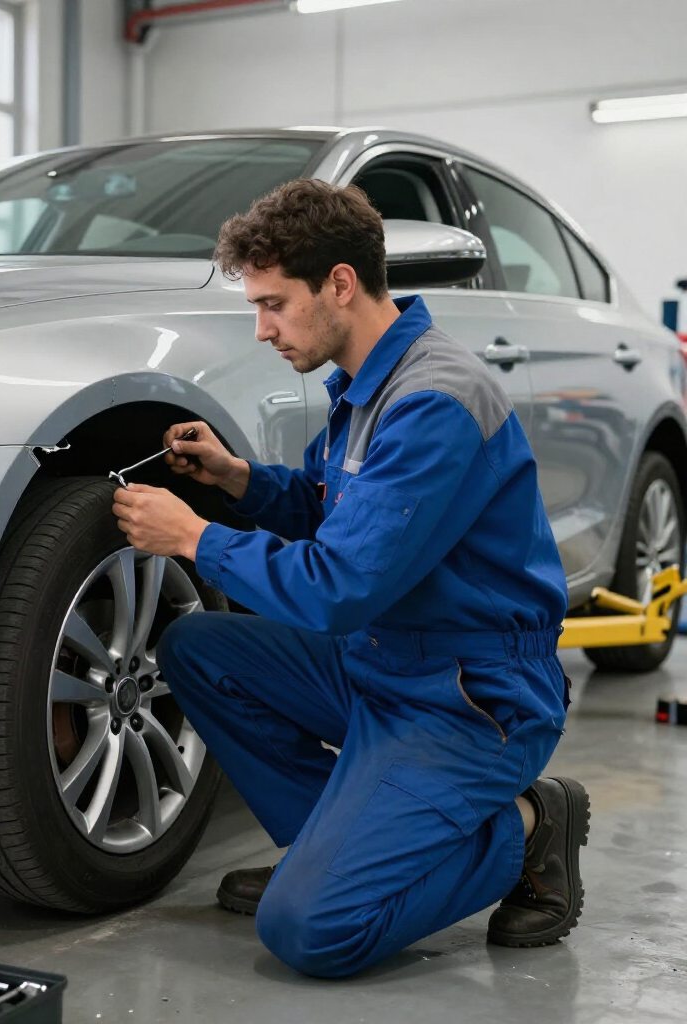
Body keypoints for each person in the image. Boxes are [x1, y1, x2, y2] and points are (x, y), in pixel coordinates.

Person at [111, 178, 588, 979]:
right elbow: (337, 512)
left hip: (471, 697)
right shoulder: (364, 387)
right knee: (200, 649)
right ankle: (333, 849)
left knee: (308, 931)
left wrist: (194, 536)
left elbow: (339, 587)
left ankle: (528, 824)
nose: (262, 330)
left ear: (339, 283)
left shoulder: (434, 401)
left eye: (273, 303)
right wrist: (238, 482)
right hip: (385, 660)